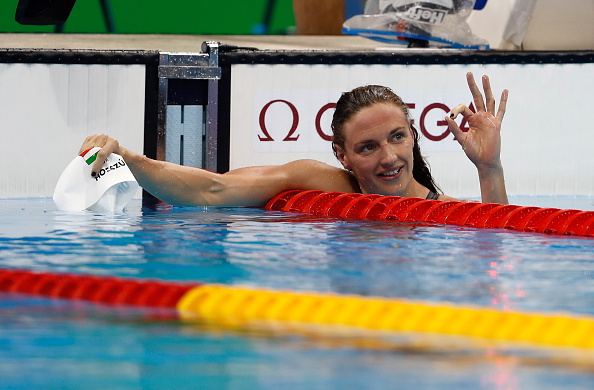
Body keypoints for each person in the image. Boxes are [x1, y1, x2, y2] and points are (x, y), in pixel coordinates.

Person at [80, 72, 508, 207]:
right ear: (341, 155)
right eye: (367, 147)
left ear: (413, 137)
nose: (390, 157)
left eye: (398, 138)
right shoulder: (317, 181)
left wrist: (489, 169)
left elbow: (500, 250)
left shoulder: (445, 213)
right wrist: (130, 160)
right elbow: (214, 188)